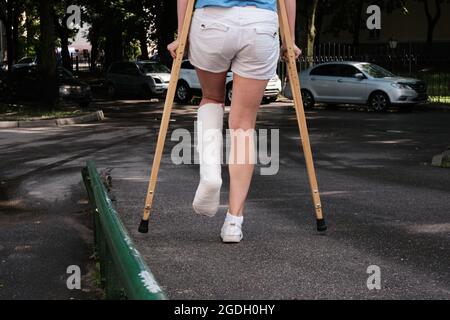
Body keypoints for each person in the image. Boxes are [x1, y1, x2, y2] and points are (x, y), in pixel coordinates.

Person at [168, 0, 301, 243]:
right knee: (243, 125)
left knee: (210, 97)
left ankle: (210, 174)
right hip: (259, 24)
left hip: (212, 22)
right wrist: (289, 40)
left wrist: (182, 35)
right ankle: (233, 222)